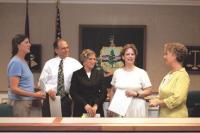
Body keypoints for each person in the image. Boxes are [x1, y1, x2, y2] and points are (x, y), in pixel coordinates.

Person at [39, 39, 82, 117]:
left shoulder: (75, 64)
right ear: (56, 50)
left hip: (65, 99)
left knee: (64, 125)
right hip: (50, 98)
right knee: (48, 124)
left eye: (67, 47)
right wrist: (48, 90)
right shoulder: (49, 64)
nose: (66, 50)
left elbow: (83, 78)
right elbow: (41, 82)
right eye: (63, 48)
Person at [7, 34, 45, 117]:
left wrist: (36, 87)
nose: (30, 44)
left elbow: (23, 83)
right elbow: (14, 89)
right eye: (26, 42)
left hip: (26, 102)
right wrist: (35, 95)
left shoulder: (23, 61)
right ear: (18, 45)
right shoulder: (16, 62)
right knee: (21, 129)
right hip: (20, 103)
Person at [110, 44, 152, 117]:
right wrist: (111, 106)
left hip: (137, 108)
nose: (130, 56)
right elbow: (112, 90)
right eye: (127, 54)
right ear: (123, 57)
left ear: (135, 56)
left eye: (132, 54)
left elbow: (149, 90)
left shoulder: (142, 72)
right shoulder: (117, 72)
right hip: (119, 109)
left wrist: (136, 94)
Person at [149, 42, 190, 117]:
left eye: (166, 54)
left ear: (174, 55)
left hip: (176, 119)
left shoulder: (182, 75)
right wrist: (154, 99)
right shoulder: (169, 74)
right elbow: (163, 95)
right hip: (164, 117)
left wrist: (158, 102)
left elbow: (177, 99)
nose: (164, 57)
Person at [70, 49, 107, 117]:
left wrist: (96, 105)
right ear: (84, 60)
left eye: (94, 59)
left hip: (96, 110)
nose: (93, 61)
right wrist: (85, 105)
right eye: (90, 59)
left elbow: (104, 92)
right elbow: (73, 92)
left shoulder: (99, 74)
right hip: (81, 109)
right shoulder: (76, 74)